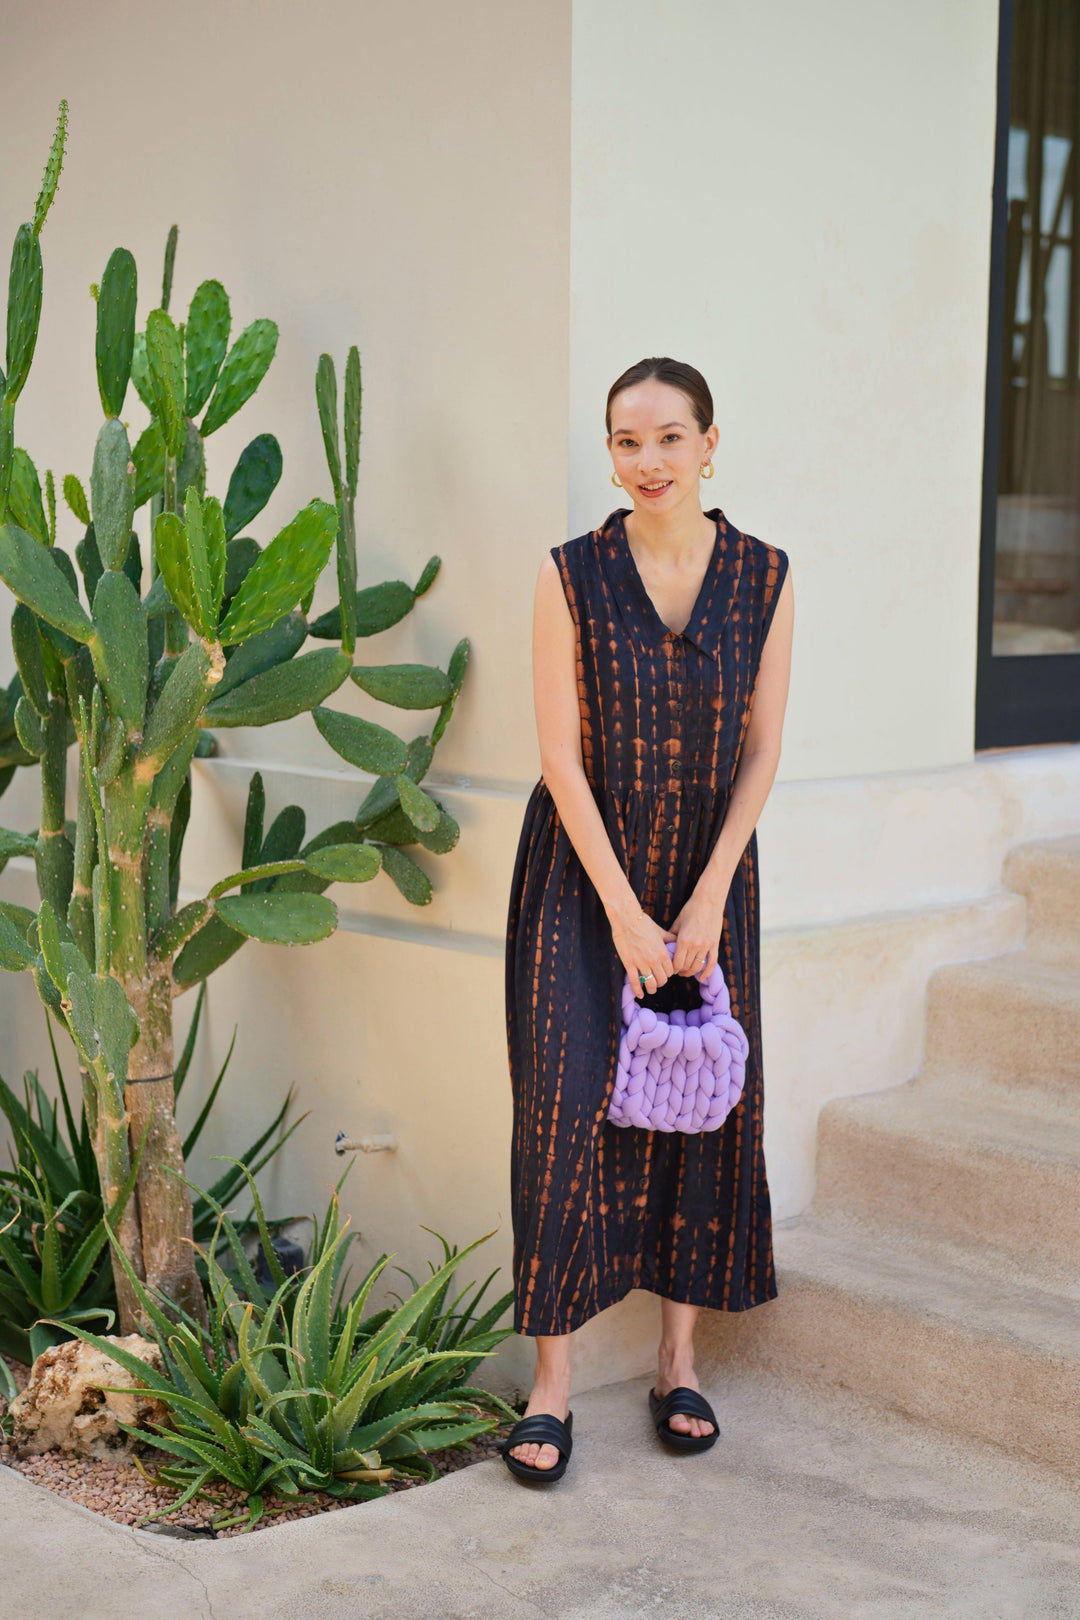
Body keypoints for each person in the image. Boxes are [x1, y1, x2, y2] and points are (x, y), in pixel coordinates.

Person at [499, 357, 794, 1481]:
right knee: (564, 1111)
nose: (649, 462)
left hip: (713, 877)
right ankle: (553, 1384)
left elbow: (763, 746)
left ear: (711, 444)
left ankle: (680, 1362)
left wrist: (711, 886)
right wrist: (624, 911)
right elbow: (559, 761)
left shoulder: (764, 577)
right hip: (583, 881)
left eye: (671, 438)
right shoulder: (569, 575)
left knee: (704, 1112)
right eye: (627, 442)